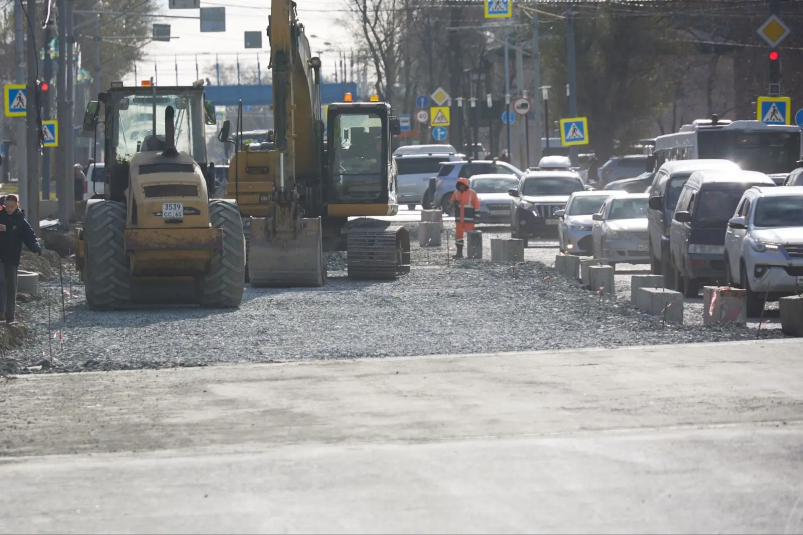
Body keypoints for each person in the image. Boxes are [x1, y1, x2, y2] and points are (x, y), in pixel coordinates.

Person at [0, 194, 42, 324]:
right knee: (1, 282)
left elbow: (29, 236)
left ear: (17, 206)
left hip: (12, 258)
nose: (9, 209)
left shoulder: (20, 221)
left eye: (12, 206)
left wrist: (36, 248)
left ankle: (9, 316)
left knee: (11, 286)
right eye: (7, 206)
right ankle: (1, 313)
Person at [449, 177, 480, 259]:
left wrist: (476, 217)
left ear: (466, 185)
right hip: (459, 220)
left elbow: (476, 206)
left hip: (469, 219)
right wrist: (453, 204)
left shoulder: (472, 193)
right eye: (459, 185)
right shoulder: (456, 193)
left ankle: (473, 253)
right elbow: (450, 205)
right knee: (458, 237)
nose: (461, 187)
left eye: (462, 185)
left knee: (472, 236)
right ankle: (459, 253)